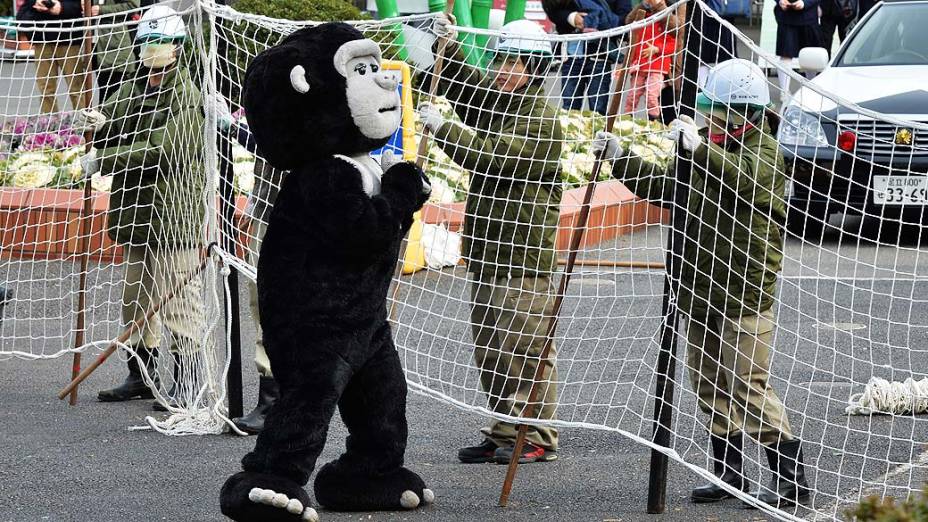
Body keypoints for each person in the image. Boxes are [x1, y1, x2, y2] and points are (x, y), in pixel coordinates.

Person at [593, 59, 810, 507]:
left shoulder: (765, 152)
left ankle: (790, 479)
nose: (709, 120)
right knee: (710, 383)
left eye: (718, 113)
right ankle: (729, 472)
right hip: (698, 286)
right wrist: (620, 160)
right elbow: (667, 187)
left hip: (743, 291)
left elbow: (743, 178)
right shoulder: (705, 150)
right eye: (708, 111)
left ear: (745, 115)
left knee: (749, 384)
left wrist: (699, 149)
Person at [419, 15, 563, 464]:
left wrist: (444, 129)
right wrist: (452, 44)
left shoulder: (540, 118)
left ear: (535, 69)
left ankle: (535, 435)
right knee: (492, 348)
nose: (502, 69)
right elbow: (469, 91)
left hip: (523, 253)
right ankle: (504, 429)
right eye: (500, 59)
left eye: (513, 62)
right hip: (489, 248)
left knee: (525, 346)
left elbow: (492, 157)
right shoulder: (505, 100)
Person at [75, 5, 207, 412]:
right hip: (134, 212)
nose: (153, 49)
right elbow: (113, 119)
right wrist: (98, 122)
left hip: (173, 212)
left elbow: (161, 150)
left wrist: (104, 159)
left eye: (161, 42)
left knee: (179, 300)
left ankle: (188, 381)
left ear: (178, 47)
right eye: (147, 41)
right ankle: (141, 374)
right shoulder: (133, 85)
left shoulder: (187, 96)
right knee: (135, 299)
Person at [210, 95, 284, 434]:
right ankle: (270, 399)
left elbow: (281, 146)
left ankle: (281, 402)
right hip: (269, 213)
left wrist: (233, 128)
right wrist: (254, 207)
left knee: (279, 307)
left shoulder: (317, 98)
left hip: (299, 220)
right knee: (262, 304)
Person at [543, 0, 631, 115]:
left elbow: (625, 18)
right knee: (569, 109)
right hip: (571, 55)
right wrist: (571, 17)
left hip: (600, 56)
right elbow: (551, 7)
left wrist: (600, 23)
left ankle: (596, 132)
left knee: (598, 110)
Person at [16, 0, 88, 114]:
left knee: (76, 87)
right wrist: (36, 4)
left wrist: (61, 7)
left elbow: (80, 7)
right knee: (46, 89)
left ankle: (84, 125)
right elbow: (23, 12)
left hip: (68, 41)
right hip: (42, 41)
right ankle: (50, 126)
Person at [622, 0, 682, 121]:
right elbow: (629, 23)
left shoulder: (668, 21)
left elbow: (675, 40)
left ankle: (653, 121)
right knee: (632, 96)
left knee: (652, 95)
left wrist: (657, 49)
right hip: (640, 66)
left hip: (657, 66)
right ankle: (626, 120)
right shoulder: (641, 18)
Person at [85, 0, 142, 103]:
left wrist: (101, 10)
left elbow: (132, 6)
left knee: (118, 95)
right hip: (98, 44)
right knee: (104, 92)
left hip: (117, 45)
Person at [773, 0, 823, 103]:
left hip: (808, 16)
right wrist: (780, 1)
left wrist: (806, 3)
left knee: (810, 55)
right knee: (785, 54)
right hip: (786, 16)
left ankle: (810, 89)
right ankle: (784, 91)